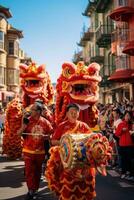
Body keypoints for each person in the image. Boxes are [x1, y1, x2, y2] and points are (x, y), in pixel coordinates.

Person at [46, 103, 96, 200]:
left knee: (83, 186)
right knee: (68, 186)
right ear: (67, 114)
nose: (73, 114)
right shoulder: (62, 126)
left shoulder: (83, 126)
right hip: (66, 163)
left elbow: (92, 140)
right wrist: (65, 143)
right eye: (71, 112)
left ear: (78, 113)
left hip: (82, 163)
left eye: (75, 112)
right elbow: (53, 141)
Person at [18, 102, 53, 200]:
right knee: (29, 172)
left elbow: (51, 134)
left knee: (37, 172)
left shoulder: (45, 122)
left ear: (38, 111)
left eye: (33, 109)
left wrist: (47, 137)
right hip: (28, 151)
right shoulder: (27, 121)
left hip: (40, 152)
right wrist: (23, 126)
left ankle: (35, 189)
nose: (30, 111)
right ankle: (30, 190)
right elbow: (18, 133)